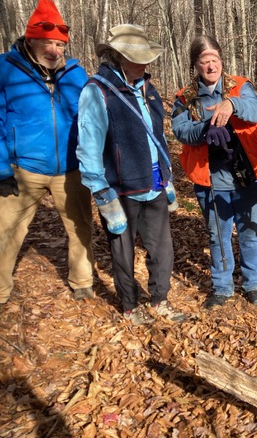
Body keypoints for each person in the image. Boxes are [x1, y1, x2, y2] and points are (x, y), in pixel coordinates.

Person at [77, 24, 185, 325]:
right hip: (120, 190)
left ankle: (160, 299)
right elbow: (88, 147)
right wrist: (102, 195)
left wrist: (168, 177)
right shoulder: (96, 92)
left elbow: (157, 138)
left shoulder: (149, 89)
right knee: (123, 252)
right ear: (119, 57)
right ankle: (130, 306)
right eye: (138, 57)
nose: (146, 62)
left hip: (154, 184)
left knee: (162, 249)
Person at [0, 0, 95, 309]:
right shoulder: (6, 70)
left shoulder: (77, 73)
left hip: (71, 167)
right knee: (6, 233)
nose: (55, 51)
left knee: (80, 227)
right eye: (48, 43)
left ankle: (82, 282)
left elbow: (92, 119)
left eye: (60, 44)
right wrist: (1, 168)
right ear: (31, 40)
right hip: (22, 169)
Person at [171, 36, 257, 309]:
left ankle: (253, 283)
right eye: (204, 62)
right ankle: (222, 286)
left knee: (250, 231)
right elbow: (180, 130)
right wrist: (205, 130)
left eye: (215, 60)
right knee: (218, 234)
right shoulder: (186, 97)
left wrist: (232, 105)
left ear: (221, 60)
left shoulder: (239, 86)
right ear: (195, 65)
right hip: (212, 177)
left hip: (250, 172)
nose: (211, 66)